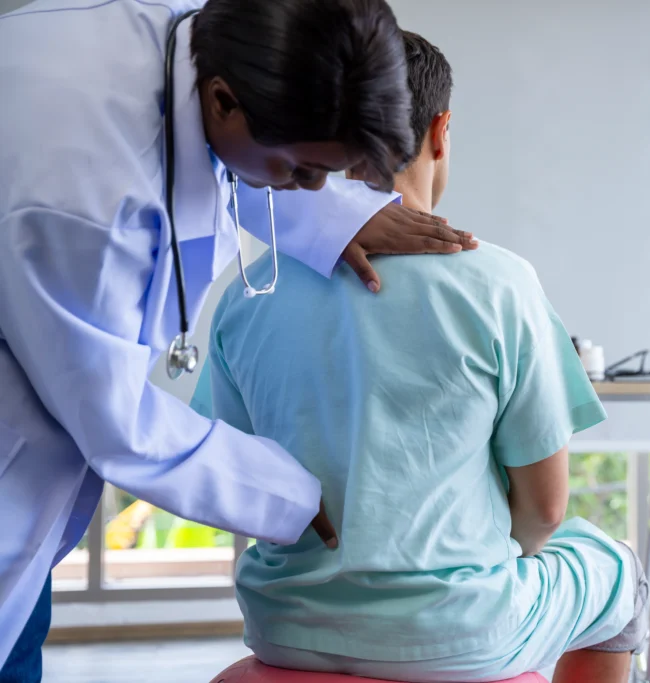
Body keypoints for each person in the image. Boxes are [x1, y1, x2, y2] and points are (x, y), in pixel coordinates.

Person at [0, 0, 479, 677]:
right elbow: (116, 426)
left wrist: (336, 217)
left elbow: (224, 148)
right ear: (224, 100)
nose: (310, 189)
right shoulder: (82, 199)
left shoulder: (226, 34)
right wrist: (292, 491)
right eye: (301, 170)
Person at [192, 31, 649, 683]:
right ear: (441, 131)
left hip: (285, 626)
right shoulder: (500, 283)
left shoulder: (248, 290)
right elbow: (544, 512)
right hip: (461, 633)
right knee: (616, 570)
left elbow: (232, 472)